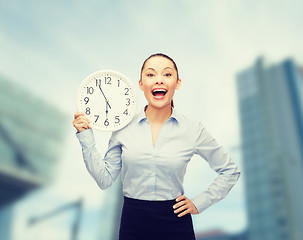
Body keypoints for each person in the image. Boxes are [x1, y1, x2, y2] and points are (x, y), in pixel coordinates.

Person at [73, 53, 241, 240]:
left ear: (177, 83)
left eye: (167, 75)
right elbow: (104, 180)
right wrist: (85, 135)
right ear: (140, 84)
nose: (159, 80)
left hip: (176, 223)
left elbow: (229, 171)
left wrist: (199, 203)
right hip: (133, 222)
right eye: (151, 75)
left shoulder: (193, 129)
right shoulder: (122, 129)